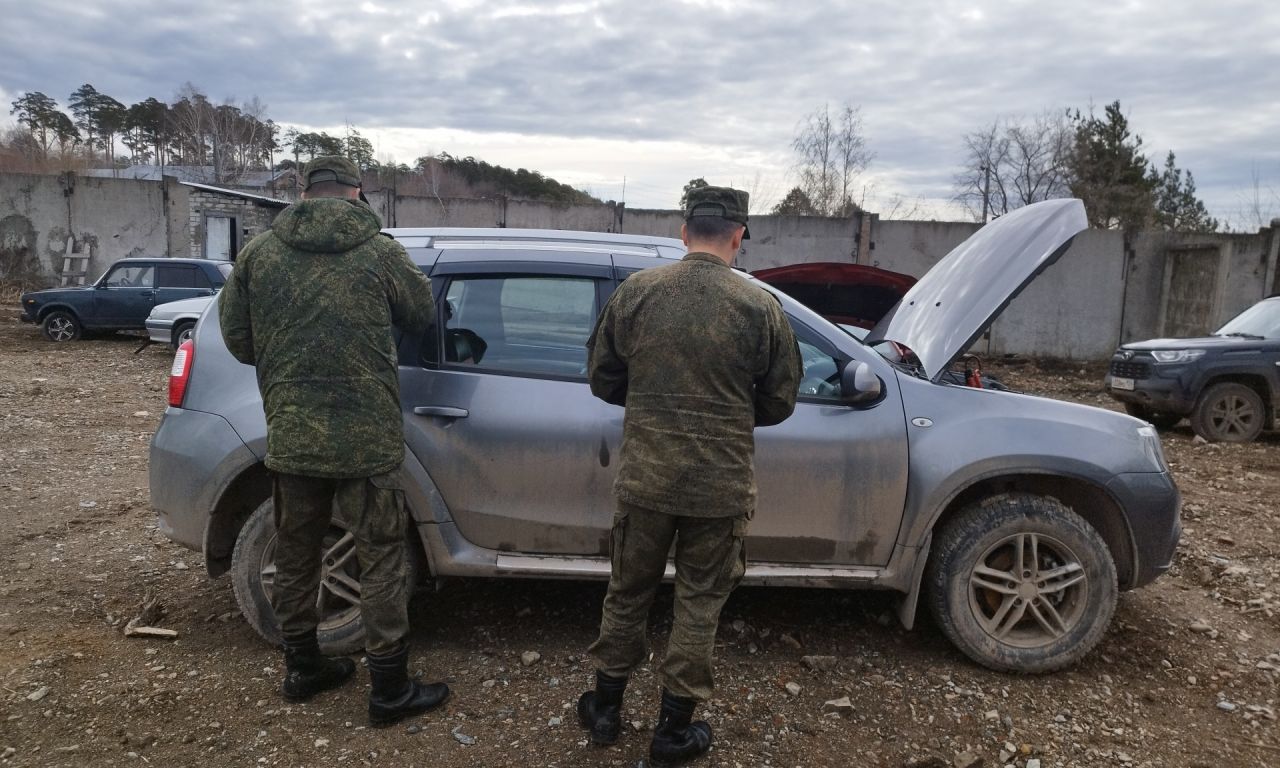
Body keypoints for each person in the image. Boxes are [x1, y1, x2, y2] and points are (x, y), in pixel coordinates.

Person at [219, 156, 449, 727]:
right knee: (382, 558)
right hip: (365, 439)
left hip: (294, 434)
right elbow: (421, 314)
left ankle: (303, 668)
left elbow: (238, 340)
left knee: (297, 554)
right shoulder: (380, 251)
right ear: (356, 192)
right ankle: (389, 688)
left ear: (303, 191)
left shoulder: (259, 254)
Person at [577, 186, 802, 765]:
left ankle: (604, 710)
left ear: (684, 232)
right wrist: (729, 410)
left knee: (628, 593)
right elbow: (780, 400)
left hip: (646, 480)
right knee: (699, 603)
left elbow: (602, 377)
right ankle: (672, 731)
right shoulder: (760, 308)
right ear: (738, 235)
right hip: (718, 486)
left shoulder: (638, 293)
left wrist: (652, 402)